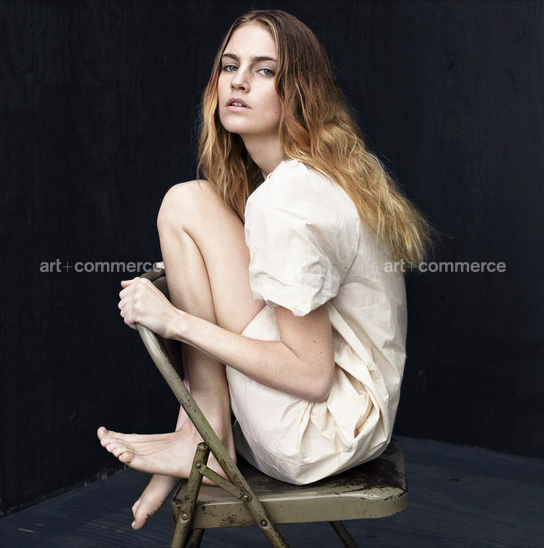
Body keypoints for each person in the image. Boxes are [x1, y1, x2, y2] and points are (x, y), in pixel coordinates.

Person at [98, 9, 433, 530]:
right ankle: (199, 438)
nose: (238, 81)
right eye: (230, 66)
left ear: (300, 91)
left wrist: (176, 320)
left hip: (310, 433)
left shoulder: (287, 200)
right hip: (357, 428)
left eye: (265, 70)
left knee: (186, 204)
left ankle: (203, 440)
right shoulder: (309, 177)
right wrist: (197, 275)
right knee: (196, 209)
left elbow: (310, 375)